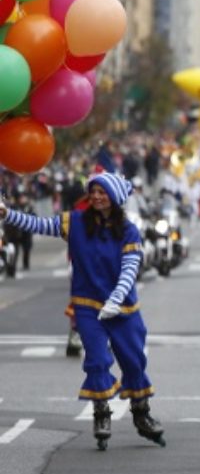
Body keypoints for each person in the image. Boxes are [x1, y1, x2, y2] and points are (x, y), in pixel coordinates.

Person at [0, 172, 165, 450]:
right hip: (88, 306)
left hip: (123, 307)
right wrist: (7, 214)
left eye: (103, 192)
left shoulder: (128, 230)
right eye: (94, 191)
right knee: (97, 360)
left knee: (134, 360)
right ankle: (101, 414)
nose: (97, 196)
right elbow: (38, 224)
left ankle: (141, 414)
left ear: (114, 197)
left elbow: (129, 268)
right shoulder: (74, 222)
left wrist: (116, 298)